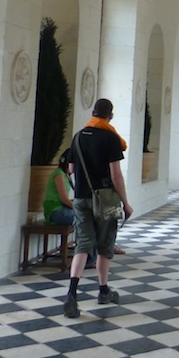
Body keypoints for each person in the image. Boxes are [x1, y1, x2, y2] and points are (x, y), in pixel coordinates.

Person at [63, 98, 133, 318]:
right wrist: (125, 202)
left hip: (81, 197)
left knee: (83, 245)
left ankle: (72, 294)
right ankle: (103, 290)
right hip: (105, 199)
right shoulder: (110, 138)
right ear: (109, 116)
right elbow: (116, 174)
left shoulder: (78, 137)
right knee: (105, 245)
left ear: (93, 113)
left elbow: (71, 168)